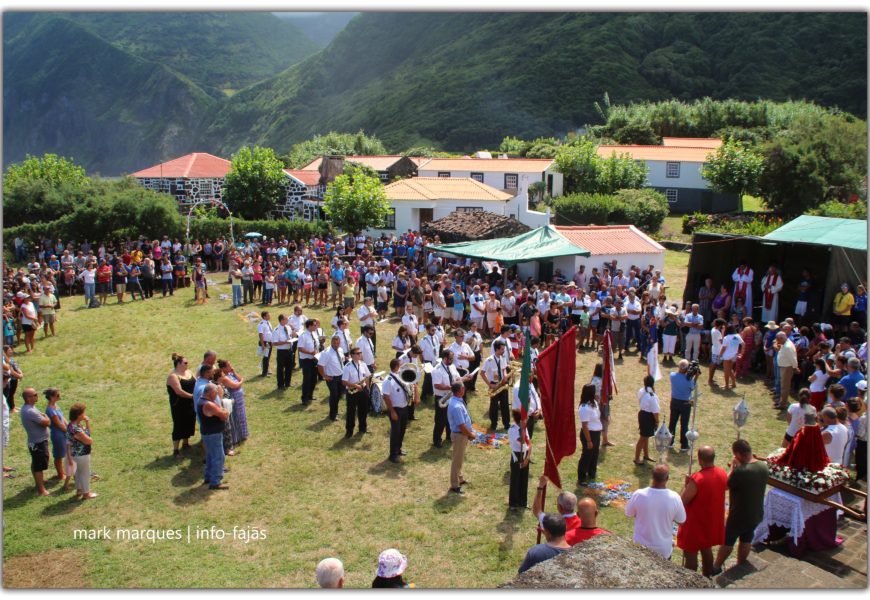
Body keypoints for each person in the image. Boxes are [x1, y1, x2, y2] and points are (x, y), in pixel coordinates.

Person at [711, 439, 769, 575]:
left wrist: (733, 469)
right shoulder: (763, 466)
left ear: (738, 454)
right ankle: (740, 564)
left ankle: (716, 566)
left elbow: (724, 486)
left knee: (728, 541)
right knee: (747, 538)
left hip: (739, 515)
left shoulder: (741, 472)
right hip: (756, 512)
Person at [676, 446, 727, 576]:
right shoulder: (722, 473)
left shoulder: (698, 479)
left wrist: (687, 485)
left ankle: (691, 580)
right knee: (706, 547)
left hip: (696, 522)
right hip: (711, 519)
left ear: (700, 460)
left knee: (690, 553)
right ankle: (706, 576)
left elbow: (683, 501)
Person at [624, 464, 686, 559]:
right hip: (663, 550)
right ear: (667, 478)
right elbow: (681, 521)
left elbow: (629, 513)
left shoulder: (639, 494)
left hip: (640, 548)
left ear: (652, 476)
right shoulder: (675, 498)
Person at [383, 358, 416, 463]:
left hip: (404, 407)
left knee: (402, 430)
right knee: (395, 432)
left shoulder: (401, 376)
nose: (403, 367)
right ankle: (392, 455)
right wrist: (392, 411)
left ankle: (398, 450)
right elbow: (386, 397)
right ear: (396, 367)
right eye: (401, 365)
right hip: (396, 409)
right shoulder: (388, 380)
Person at [446, 382, 476, 494]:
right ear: (460, 390)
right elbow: (461, 425)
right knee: (457, 460)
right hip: (460, 435)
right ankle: (454, 485)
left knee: (459, 459)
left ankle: (460, 478)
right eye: (463, 388)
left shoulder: (456, 401)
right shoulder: (456, 406)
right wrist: (470, 434)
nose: (465, 389)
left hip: (461, 435)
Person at [19, 387, 50, 496]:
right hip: (38, 443)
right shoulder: (30, 411)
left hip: (35, 442)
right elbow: (46, 422)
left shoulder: (29, 408)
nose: (37, 396)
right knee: (39, 466)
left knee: (36, 463)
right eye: (35, 394)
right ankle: (41, 490)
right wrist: (46, 417)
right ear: (28, 398)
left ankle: (39, 482)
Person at [199, 383, 230, 490]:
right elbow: (224, 415)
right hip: (213, 434)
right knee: (218, 456)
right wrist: (224, 410)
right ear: (211, 393)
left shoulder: (201, 401)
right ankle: (215, 482)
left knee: (210, 456)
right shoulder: (209, 404)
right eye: (216, 393)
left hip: (206, 433)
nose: (216, 395)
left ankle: (208, 477)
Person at [167, 353, 196, 456]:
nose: (187, 364)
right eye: (185, 362)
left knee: (189, 421)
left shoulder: (189, 372)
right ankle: (176, 450)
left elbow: (196, 383)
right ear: (178, 364)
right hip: (179, 405)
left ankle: (185, 443)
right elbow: (179, 391)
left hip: (190, 403)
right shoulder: (173, 376)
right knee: (179, 425)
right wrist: (193, 396)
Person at [66, 402, 97, 499]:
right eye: (83, 413)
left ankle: (79, 490)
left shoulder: (72, 425)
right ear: (79, 415)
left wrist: (87, 423)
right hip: (81, 455)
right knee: (85, 473)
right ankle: (86, 494)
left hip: (74, 454)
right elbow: (89, 440)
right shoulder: (77, 429)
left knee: (78, 473)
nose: (84, 415)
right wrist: (90, 439)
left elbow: (87, 434)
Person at [668, 360, 697, 452]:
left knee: (672, 422)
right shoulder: (689, 380)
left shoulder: (672, 376)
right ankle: (684, 445)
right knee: (684, 425)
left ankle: (669, 442)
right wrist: (696, 377)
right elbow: (692, 387)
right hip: (685, 404)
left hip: (674, 402)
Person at [341, 346, 371, 438]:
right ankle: (349, 431)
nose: (360, 355)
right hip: (352, 391)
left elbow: (367, 376)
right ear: (352, 355)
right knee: (351, 412)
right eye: (358, 353)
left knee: (363, 410)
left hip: (363, 390)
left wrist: (368, 388)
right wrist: (355, 386)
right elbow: (344, 382)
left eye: (360, 353)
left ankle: (363, 428)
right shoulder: (347, 367)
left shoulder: (363, 364)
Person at [481, 340, 511, 432]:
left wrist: (505, 375)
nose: (503, 351)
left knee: (505, 404)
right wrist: (489, 384)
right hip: (494, 385)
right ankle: (494, 424)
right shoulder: (489, 360)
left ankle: (506, 424)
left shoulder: (502, 358)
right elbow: (482, 373)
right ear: (497, 349)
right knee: (494, 405)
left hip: (502, 384)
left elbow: (504, 369)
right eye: (502, 349)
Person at [577, 383, 602, 486]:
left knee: (594, 454)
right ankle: (582, 477)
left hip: (596, 432)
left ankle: (592, 472)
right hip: (589, 434)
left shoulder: (594, 403)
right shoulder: (584, 408)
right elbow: (585, 426)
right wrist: (589, 441)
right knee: (587, 455)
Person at [218, 360, 248, 445]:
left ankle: (243, 434)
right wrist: (241, 382)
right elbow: (236, 385)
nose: (231, 367)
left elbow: (239, 378)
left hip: (239, 399)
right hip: (234, 399)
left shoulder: (230, 374)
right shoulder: (224, 377)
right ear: (223, 368)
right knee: (236, 417)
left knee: (242, 416)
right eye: (229, 366)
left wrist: (234, 372)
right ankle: (236, 437)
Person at [508, 409, 531, 510]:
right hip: (517, 456)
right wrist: (522, 429)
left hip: (525, 454)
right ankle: (513, 503)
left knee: (524, 479)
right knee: (515, 479)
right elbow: (522, 441)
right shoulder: (513, 430)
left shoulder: (524, 428)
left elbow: (529, 444)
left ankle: (523, 501)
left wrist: (527, 458)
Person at [318, 335, 346, 422]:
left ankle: (335, 411)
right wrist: (325, 376)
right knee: (334, 395)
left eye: (338, 343)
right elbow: (320, 365)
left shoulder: (340, 350)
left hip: (341, 376)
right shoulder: (326, 353)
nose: (336, 344)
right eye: (334, 343)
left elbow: (342, 360)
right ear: (331, 342)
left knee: (338, 395)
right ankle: (333, 415)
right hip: (332, 378)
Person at [634, 375, 660, 465]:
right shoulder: (652, 396)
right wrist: (657, 421)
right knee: (643, 437)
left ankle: (646, 455)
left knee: (646, 436)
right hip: (648, 417)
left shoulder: (642, 390)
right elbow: (655, 411)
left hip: (642, 414)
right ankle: (636, 458)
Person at [44, 388, 67, 481]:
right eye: (57, 395)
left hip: (63, 432)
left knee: (64, 452)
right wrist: (68, 431)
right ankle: (60, 475)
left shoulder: (56, 406)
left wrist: (70, 427)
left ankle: (62, 472)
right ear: (51, 397)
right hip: (58, 434)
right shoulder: (50, 409)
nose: (59, 397)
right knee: (59, 455)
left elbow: (63, 418)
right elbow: (58, 424)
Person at [774, 330, 799, 409]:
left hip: (787, 368)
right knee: (783, 385)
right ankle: (782, 401)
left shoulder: (788, 346)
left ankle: (783, 404)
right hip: (784, 367)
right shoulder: (785, 344)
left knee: (785, 386)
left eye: (778, 339)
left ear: (781, 338)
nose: (777, 341)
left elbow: (793, 359)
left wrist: (795, 367)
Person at [298, 319, 320, 406]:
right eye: (314, 325)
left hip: (314, 359)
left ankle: (310, 395)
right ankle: (305, 398)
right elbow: (300, 348)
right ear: (309, 326)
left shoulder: (314, 334)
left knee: (314, 378)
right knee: (307, 379)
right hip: (307, 360)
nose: (316, 326)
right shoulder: (303, 335)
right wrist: (310, 353)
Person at [271, 314, 293, 391]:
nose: (287, 321)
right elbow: (274, 343)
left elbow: (290, 336)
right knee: (280, 368)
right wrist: (285, 342)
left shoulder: (288, 327)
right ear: (281, 320)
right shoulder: (276, 330)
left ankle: (287, 382)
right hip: (281, 351)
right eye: (286, 319)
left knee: (289, 367)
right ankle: (280, 384)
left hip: (289, 350)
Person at [257, 312, 273, 378]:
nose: (269, 316)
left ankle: (267, 370)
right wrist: (263, 344)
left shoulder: (268, 322)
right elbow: (260, 334)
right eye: (268, 315)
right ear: (264, 317)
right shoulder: (261, 324)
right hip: (265, 343)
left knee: (268, 357)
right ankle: (264, 373)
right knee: (265, 358)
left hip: (269, 342)